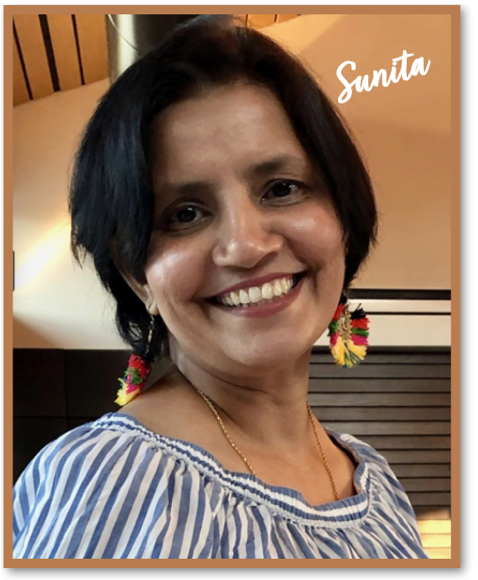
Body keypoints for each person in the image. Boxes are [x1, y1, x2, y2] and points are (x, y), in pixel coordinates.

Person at [13, 16, 428, 559]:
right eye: (184, 213)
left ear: (342, 221)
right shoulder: (112, 482)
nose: (245, 246)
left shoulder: (376, 480)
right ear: (138, 276)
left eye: (282, 188)